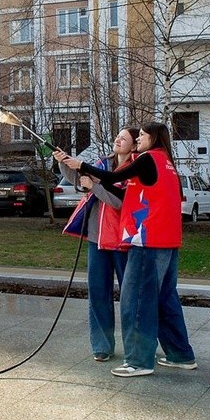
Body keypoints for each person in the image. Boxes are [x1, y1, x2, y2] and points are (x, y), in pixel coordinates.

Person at [59, 122, 196, 378]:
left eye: (142, 135)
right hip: (167, 242)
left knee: (136, 302)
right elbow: (117, 188)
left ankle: (138, 361)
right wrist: (89, 181)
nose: (139, 139)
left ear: (152, 138)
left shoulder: (148, 158)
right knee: (165, 299)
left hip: (147, 241)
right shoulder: (166, 162)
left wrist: (82, 166)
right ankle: (181, 354)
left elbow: (112, 178)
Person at [57, 128, 137, 363]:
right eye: (117, 136)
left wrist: (94, 186)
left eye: (124, 138)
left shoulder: (135, 169)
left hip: (124, 241)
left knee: (131, 297)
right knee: (98, 294)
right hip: (98, 239)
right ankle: (102, 346)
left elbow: (118, 201)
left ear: (133, 146)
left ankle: (136, 349)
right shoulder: (102, 163)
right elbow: (79, 180)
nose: (117, 140)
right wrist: (64, 163)